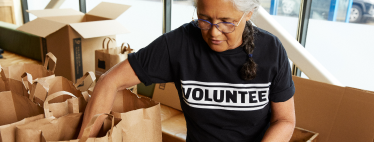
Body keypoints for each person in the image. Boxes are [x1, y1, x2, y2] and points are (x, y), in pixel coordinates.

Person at [78, 0, 296, 141]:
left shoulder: (271, 50)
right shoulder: (179, 44)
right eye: (204, 19)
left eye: (226, 22)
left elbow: (285, 120)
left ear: (248, 14)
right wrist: (84, 140)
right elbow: (109, 81)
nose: (214, 33)